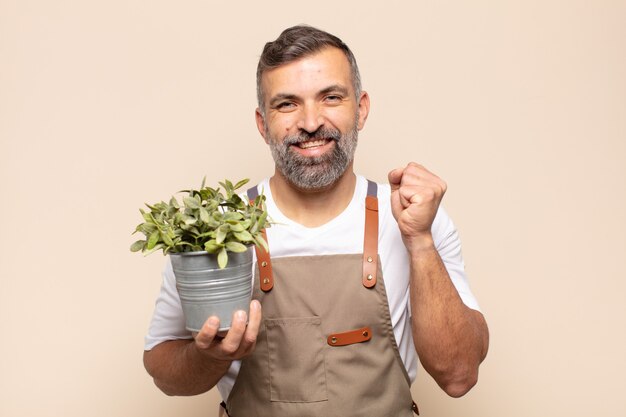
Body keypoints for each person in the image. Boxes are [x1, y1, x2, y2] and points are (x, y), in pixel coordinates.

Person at [143, 25, 489, 416]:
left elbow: (459, 376)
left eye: (330, 97)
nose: (310, 122)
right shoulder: (216, 229)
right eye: (287, 104)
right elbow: (164, 374)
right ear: (262, 123)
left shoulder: (414, 218)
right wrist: (210, 357)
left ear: (360, 109)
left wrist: (421, 241)